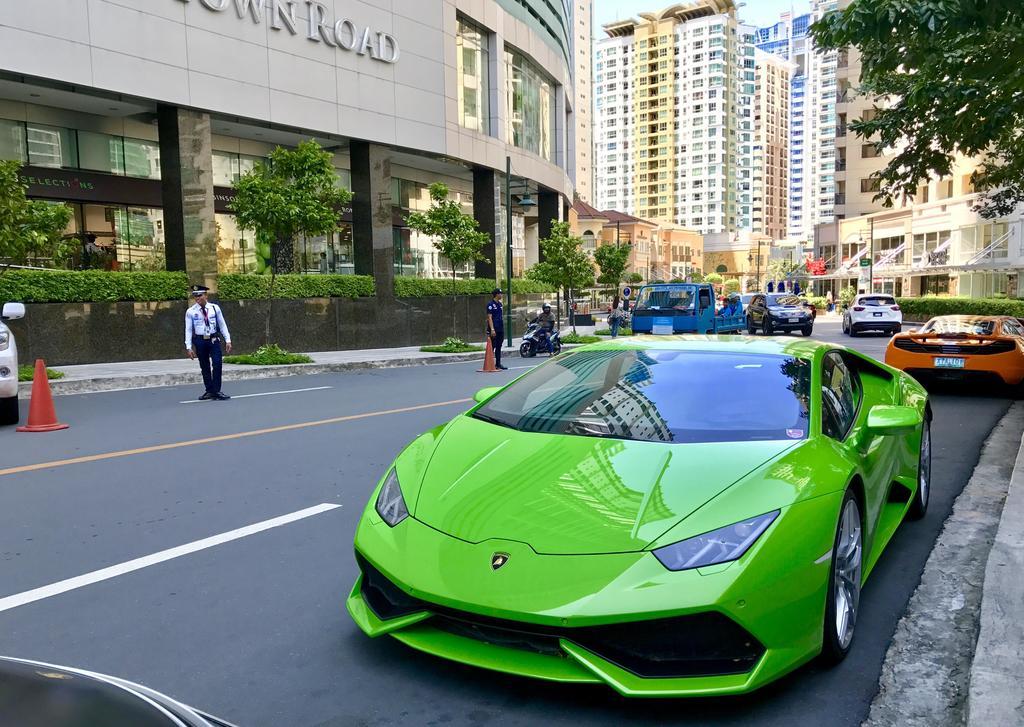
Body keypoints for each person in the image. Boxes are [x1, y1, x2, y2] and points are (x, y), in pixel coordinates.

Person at [185, 284, 232, 401]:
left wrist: (228, 340)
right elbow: (188, 329)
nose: (197, 298)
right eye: (195, 296)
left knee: (217, 364)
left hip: (213, 339)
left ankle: (216, 390)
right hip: (200, 341)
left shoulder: (215, 308)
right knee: (204, 366)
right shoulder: (191, 311)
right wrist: (188, 347)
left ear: (206, 295)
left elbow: (222, 324)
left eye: (199, 295)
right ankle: (209, 390)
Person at [485, 288, 508, 370]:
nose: (501, 295)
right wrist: (492, 329)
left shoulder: (500, 304)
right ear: (496, 294)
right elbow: (489, 317)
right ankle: (490, 364)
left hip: (500, 328)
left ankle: (498, 364)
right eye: (500, 293)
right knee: (492, 346)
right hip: (494, 328)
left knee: (499, 346)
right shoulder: (490, 305)